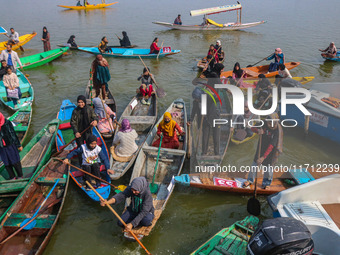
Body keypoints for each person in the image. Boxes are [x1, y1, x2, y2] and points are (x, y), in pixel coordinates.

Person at [245, 113, 283, 189]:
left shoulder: (277, 131)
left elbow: (271, 145)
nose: (269, 125)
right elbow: (252, 128)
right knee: (254, 164)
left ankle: (267, 183)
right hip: (261, 147)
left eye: (271, 123)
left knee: (268, 169)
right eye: (268, 123)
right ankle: (250, 179)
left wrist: (263, 157)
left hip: (271, 152)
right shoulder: (263, 123)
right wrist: (258, 130)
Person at [0, 112, 23, 180]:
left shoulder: (7, 123)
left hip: (10, 145)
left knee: (15, 161)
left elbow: (13, 134)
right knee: (6, 163)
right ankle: (12, 177)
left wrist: (18, 145)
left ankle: (20, 175)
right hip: (1, 147)